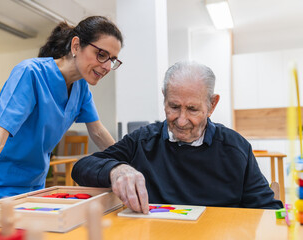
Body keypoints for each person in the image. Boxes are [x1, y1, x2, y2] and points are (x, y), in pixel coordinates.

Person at [0, 16, 123, 222]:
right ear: (76, 45)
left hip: (36, 187)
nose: (107, 66)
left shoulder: (81, 88)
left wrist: (130, 168)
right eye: (101, 54)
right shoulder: (30, 73)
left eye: (112, 60)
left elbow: (98, 132)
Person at [72, 61, 283, 214]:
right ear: (164, 99)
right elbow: (81, 168)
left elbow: (267, 210)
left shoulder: (236, 148)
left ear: (212, 105)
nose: (181, 121)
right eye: (174, 107)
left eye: (192, 109)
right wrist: (116, 169)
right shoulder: (143, 141)